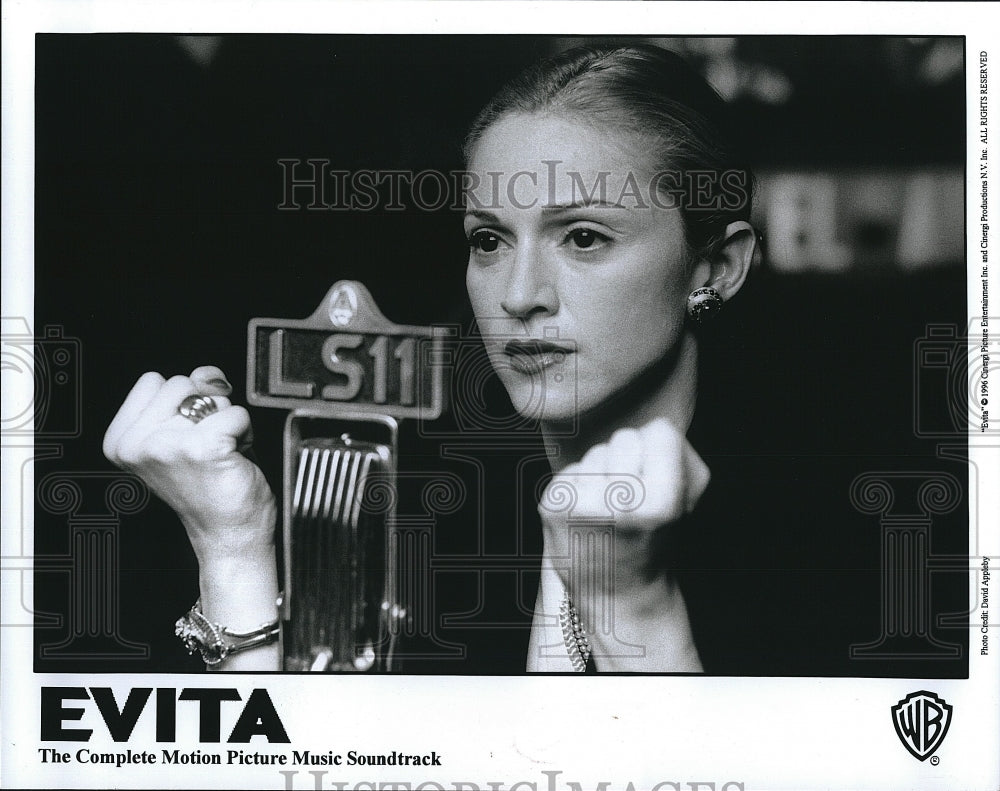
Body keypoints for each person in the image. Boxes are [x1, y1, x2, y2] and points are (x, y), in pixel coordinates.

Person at [103, 44, 759, 672]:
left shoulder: (821, 544)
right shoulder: (418, 518)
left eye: (584, 237)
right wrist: (232, 547)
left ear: (717, 267)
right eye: (489, 240)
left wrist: (634, 612)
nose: (521, 295)